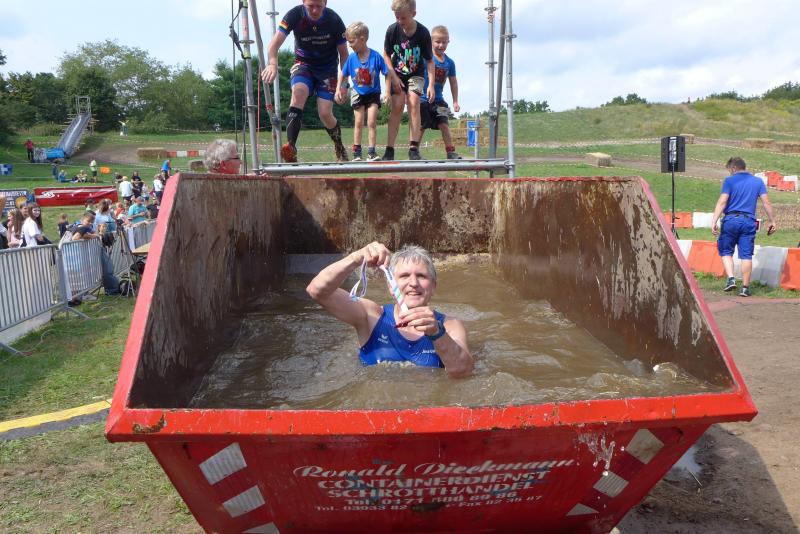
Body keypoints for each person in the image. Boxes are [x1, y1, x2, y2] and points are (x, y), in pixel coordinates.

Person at [306, 242, 474, 377]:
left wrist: (437, 334)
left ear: (433, 287)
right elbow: (317, 291)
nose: (413, 283)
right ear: (390, 286)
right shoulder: (371, 317)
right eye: (404, 276)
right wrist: (356, 258)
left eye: (421, 276)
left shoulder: (449, 326)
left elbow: (463, 371)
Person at [260, 0, 350, 163]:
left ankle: (339, 147)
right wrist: (272, 64)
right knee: (298, 93)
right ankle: (291, 148)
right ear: (303, 2)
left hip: (327, 69)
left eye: (318, 6)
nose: (314, 10)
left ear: (325, 3)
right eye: (310, 6)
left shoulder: (334, 20)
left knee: (325, 113)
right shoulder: (294, 15)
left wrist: (343, 84)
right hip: (304, 65)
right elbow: (273, 46)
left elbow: (344, 55)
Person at [711, 157, 777, 297]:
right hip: (748, 222)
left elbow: (722, 201)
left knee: (726, 251)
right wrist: (772, 221)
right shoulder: (758, 181)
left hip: (731, 220)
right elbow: (766, 202)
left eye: (730, 170)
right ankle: (745, 288)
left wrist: (714, 221)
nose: (730, 173)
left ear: (734, 168)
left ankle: (731, 278)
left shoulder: (729, 181)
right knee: (746, 255)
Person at [382, 0, 436, 161]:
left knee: (414, 102)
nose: (400, 21)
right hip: (397, 73)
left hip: (416, 73)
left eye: (403, 18)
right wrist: (393, 76)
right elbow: (386, 55)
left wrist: (431, 85)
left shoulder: (423, 33)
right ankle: (389, 150)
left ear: (413, 14)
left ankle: (413, 148)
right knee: (398, 105)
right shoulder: (392, 30)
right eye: (397, 17)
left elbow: (430, 61)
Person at [335, 22, 392, 162]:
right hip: (358, 93)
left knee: (371, 122)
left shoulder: (376, 56)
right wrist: (338, 89)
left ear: (362, 39)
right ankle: (357, 153)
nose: (350, 45)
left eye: (351, 41)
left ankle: (371, 152)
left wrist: (387, 92)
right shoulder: (351, 58)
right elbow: (343, 74)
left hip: (373, 94)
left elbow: (387, 73)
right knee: (359, 122)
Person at [419, 25, 462, 160]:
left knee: (444, 124)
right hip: (423, 99)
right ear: (431, 41)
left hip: (439, 100)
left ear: (448, 42)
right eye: (437, 42)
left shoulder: (450, 63)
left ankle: (450, 151)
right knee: (421, 125)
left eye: (444, 42)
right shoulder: (426, 58)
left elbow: (453, 82)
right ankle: (414, 151)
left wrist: (455, 101)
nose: (441, 45)